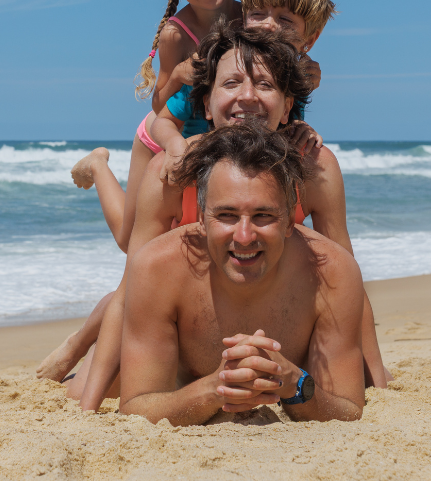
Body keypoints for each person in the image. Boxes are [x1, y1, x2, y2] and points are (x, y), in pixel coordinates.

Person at [74, 23, 391, 410]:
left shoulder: (315, 167)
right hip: (183, 315)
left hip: (268, 308)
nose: (247, 96)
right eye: (232, 83)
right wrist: (88, 403)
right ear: (205, 104)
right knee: (90, 380)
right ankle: (98, 166)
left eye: (264, 84)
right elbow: (131, 290)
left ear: (288, 105)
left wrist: (377, 379)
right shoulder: (171, 169)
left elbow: (346, 279)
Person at [119, 123, 366, 426]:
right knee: (75, 389)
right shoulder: (156, 268)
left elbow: (349, 410)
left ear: (289, 219)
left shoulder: (333, 272)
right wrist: (216, 388)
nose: (245, 236)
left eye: (263, 216)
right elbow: (135, 407)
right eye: (226, 215)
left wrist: (293, 383)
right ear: (201, 217)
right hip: (184, 391)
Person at [68, 0, 243, 255]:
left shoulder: (252, 17)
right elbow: (159, 103)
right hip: (162, 136)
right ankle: (99, 165)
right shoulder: (176, 34)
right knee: (129, 241)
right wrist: (177, 75)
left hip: (214, 138)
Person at [150, 0, 335, 174]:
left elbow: (283, 123)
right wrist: (175, 146)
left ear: (310, 40)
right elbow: (162, 122)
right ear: (244, 18)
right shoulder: (217, 65)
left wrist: (300, 130)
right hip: (201, 160)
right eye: (257, 14)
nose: (268, 24)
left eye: (284, 19)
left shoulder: (297, 77)